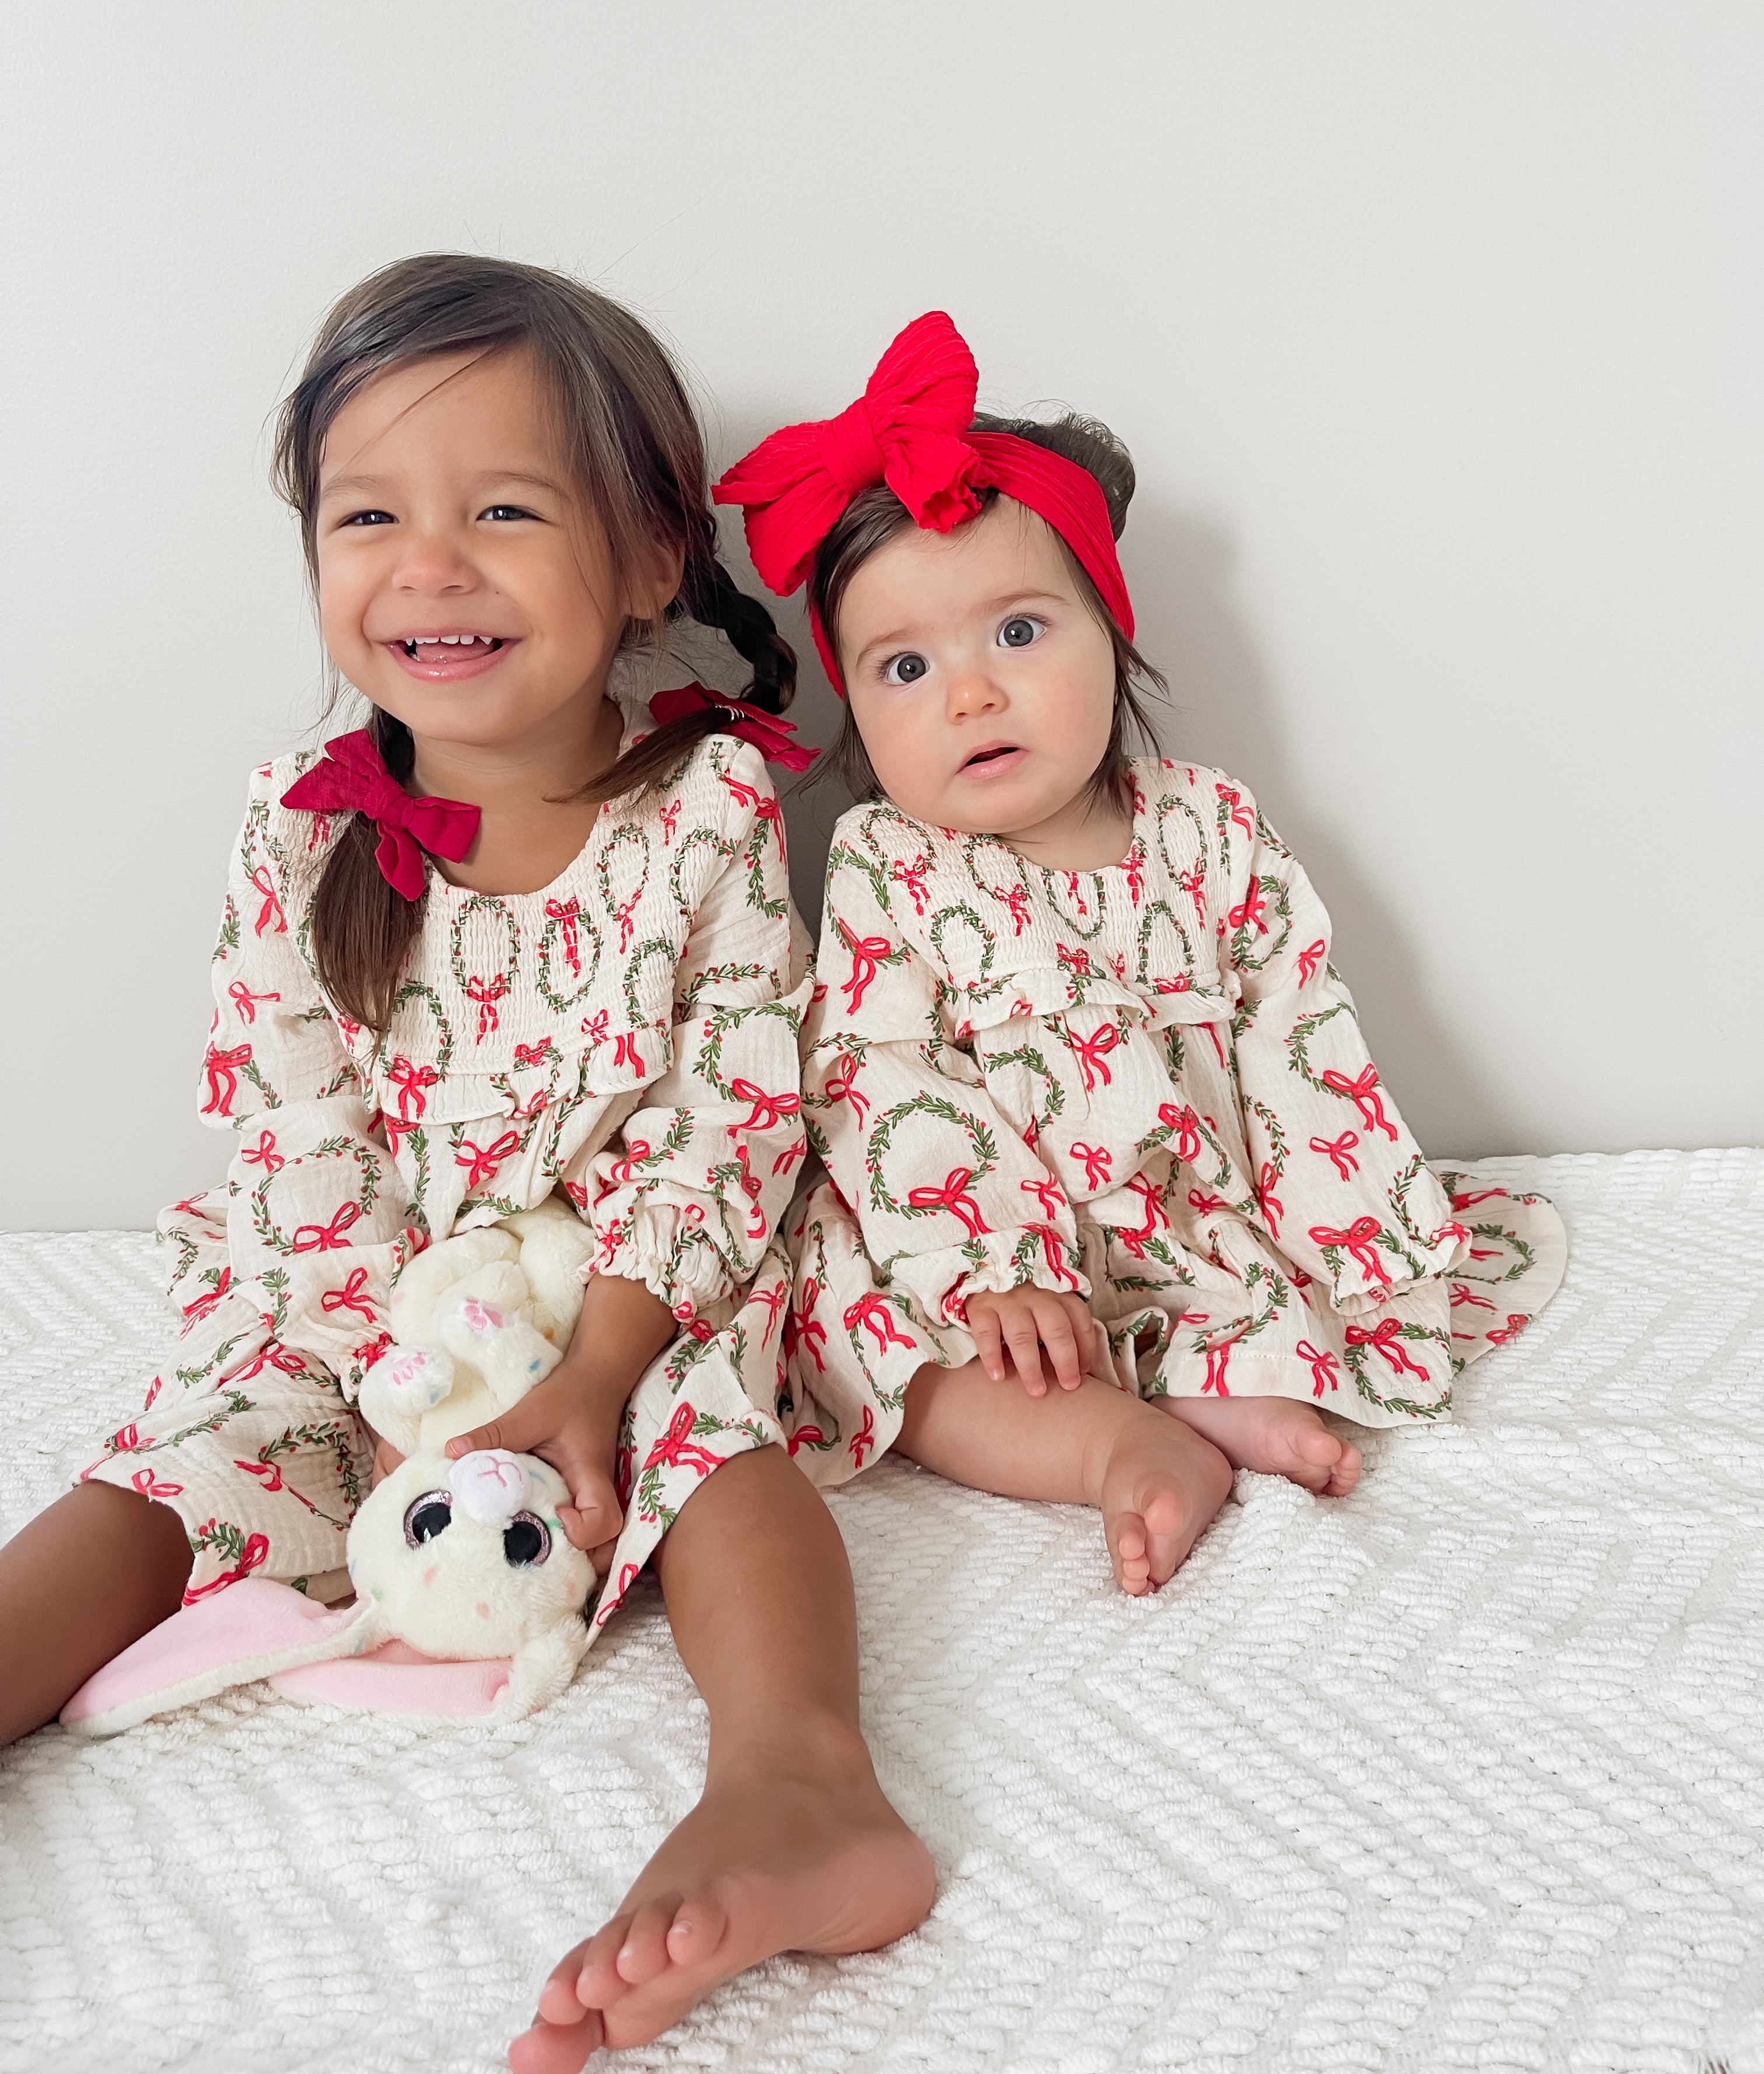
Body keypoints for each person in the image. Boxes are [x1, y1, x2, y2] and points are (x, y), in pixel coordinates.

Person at [0, 257, 933, 2067]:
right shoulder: (301, 831)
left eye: (503, 510)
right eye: (370, 516)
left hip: (617, 1301)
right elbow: (294, 1149)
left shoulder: (712, 811)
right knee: (178, 1461)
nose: (429, 564)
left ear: (653, 555)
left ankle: (805, 1784)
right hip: (361, 1312)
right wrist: (401, 1378)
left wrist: (583, 1375)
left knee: (716, 1454)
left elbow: (726, 1127)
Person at [716, 312, 1567, 1596]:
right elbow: (881, 1079)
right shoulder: (891, 866)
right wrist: (996, 1266)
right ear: (860, 711)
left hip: (1190, 1222)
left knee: (1279, 1301)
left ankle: (1227, 1398)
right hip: (990, 1244)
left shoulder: (1209, 824)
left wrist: (1343, 1229)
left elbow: (1298, 1029)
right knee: (885, 1352)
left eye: (1016, 633)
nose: (970, 694)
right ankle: (1118, 1445)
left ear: (1107, 630)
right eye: (905, 665)